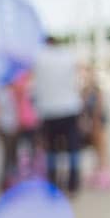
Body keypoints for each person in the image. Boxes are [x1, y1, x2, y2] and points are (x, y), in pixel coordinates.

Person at [33, 35, 83, 195]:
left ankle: (53, 182)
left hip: (48, 111)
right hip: (69, 108)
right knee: (72, 147)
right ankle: (73, 183)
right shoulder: (67, 56)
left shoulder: (38, 58)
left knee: (52, 149)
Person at [79, 64, 110, 190]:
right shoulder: (83, 91)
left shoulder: (97, 91)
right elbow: (82, 109)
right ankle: (98, 173)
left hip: (98, 124)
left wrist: (96, 125)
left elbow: (99, 109)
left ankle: (105, 175)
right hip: (89, 125)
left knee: (101, 150)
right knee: (96, 151)